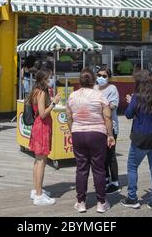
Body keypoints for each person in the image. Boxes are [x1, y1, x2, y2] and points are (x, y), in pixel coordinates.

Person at [66, 68, 115, 214]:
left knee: (81, 168)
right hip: (97, 134)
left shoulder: (72, 96)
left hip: (78, 133)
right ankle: (101, 202)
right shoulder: (100, 96)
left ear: (79, 81)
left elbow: (69, 116)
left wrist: (72, 129)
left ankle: (81, 202)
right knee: (98, 168)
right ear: (93, 81)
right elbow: (107, 117)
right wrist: (110, 135)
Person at [121, 70, 152, 214]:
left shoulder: (137, 97)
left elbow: (128, 115)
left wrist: (130, 102)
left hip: (141, 138)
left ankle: (132, 198)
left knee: (132, 167)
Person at [28, 70, 61, 206]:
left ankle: (37, 190)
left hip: (38, 127)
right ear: (44, 80)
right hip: (41, 127)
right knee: (41, 161)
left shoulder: (36, 91)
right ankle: (39, 195)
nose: (51, 80)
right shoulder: (41, 93)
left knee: (38, 161)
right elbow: (42, 114)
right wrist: (54, 104)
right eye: (49, 78)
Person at [95, 67, 121, 194]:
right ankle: (105, 178)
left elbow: (113, 107)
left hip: (111, 127)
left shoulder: (112, 89)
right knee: (101, 155)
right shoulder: (94, 88)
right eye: (99, 75)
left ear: (109, 78)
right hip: (97, 127)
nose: (101, 77)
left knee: (110, 155)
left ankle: (115, 181)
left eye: (104, 76)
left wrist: (99, 106)